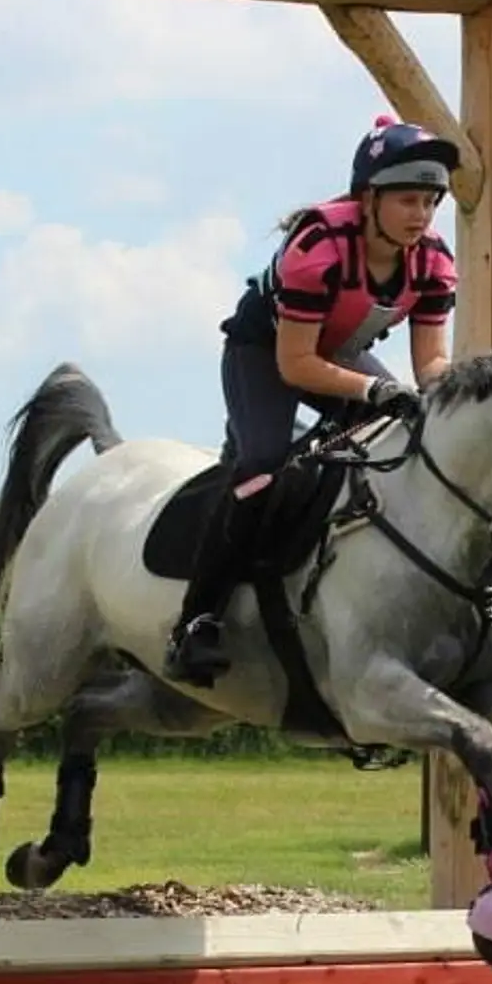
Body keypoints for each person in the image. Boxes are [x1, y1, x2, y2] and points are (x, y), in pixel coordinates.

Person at [163, 114, 460, 687]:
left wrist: (464, 393)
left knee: (402, 440)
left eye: (430, 202)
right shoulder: (317, 248)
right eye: (407, 201)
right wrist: (375, 389)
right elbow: (295, 366)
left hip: (340, 356)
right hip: (266, 356)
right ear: (367, 199)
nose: (421, 215)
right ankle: (196, 621)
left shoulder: (434, 262)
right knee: (262, 469)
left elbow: (430, 367)